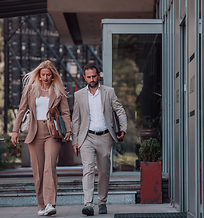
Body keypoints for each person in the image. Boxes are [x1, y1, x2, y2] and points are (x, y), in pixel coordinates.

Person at [11, 60, 71, 216]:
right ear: (39, 75)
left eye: (48, 75)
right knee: (38, 171)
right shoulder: (30, 90)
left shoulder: (58, 90)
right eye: (43, 74)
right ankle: (41, 205)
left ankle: (50, 203)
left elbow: (65, 112)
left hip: (53, 132)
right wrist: (15, 131)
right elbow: (21, 111)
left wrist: (69, 130)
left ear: (53, 76)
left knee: (49, 166)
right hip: (35, 132)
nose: (45, 77)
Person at [72, 64, 127, 216]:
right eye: (89, 77)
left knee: (103, 171)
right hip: (86, 137)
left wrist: (123, 128)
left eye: (94, 76)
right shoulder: (79, 95)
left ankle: (102, 202)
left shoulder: (109, 92)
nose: (92, 79)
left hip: (104, 137)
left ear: (98, 75)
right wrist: (75, 141)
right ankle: (88, 204)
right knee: (88, 169)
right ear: (85, 77)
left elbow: (120, 110)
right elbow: (75, 119)